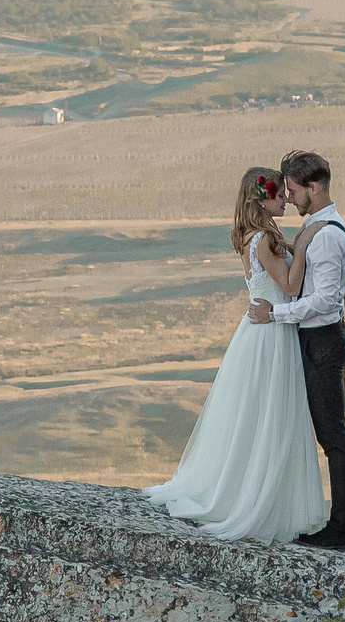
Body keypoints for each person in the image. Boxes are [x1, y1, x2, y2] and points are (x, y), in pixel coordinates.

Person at [141, 166, 332, 543]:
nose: (286, 199)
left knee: (255, 416)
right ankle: (253, 500)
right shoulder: (265, 240)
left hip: (260, 332)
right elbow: (292, 288)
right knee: (267, 417)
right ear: (263, 199)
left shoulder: (253, 236)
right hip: (271, 336)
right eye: (279, 194)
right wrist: (307, 243)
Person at [246, 150, 345, 551]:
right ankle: (339, 525)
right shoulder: (315, 228)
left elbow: (324, 300)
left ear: (314, 187)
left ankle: (342, 530)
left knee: (334, 436)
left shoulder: (324, 235)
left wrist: (276, 314)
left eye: (292, 190)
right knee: (331, 433)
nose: (288, 197)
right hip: (315, 339)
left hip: (323, 340)